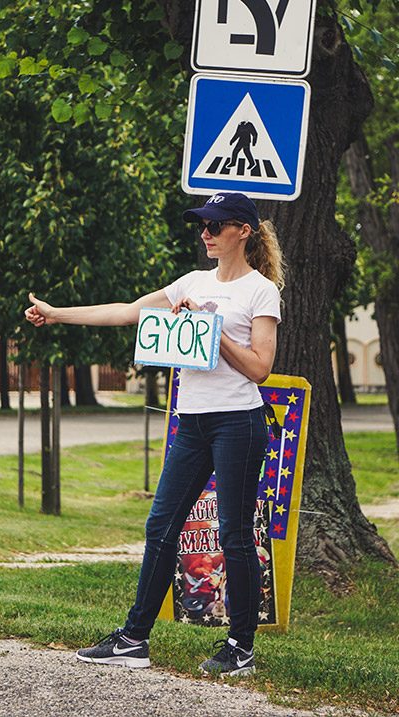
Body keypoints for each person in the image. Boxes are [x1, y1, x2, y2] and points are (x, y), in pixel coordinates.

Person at [24, 192, 284, 677]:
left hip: (237, 423)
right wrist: (57, 313)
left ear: (243, 231)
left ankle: (240, 647)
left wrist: (210, 326)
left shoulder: (260, 291)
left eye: (215, 224)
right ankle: (133, 639)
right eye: (202, 224)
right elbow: (128, 311)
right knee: (160, 527)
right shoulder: (191, 281)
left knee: (233, 535)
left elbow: (260, 369)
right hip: (191, 421)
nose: (205, 232)